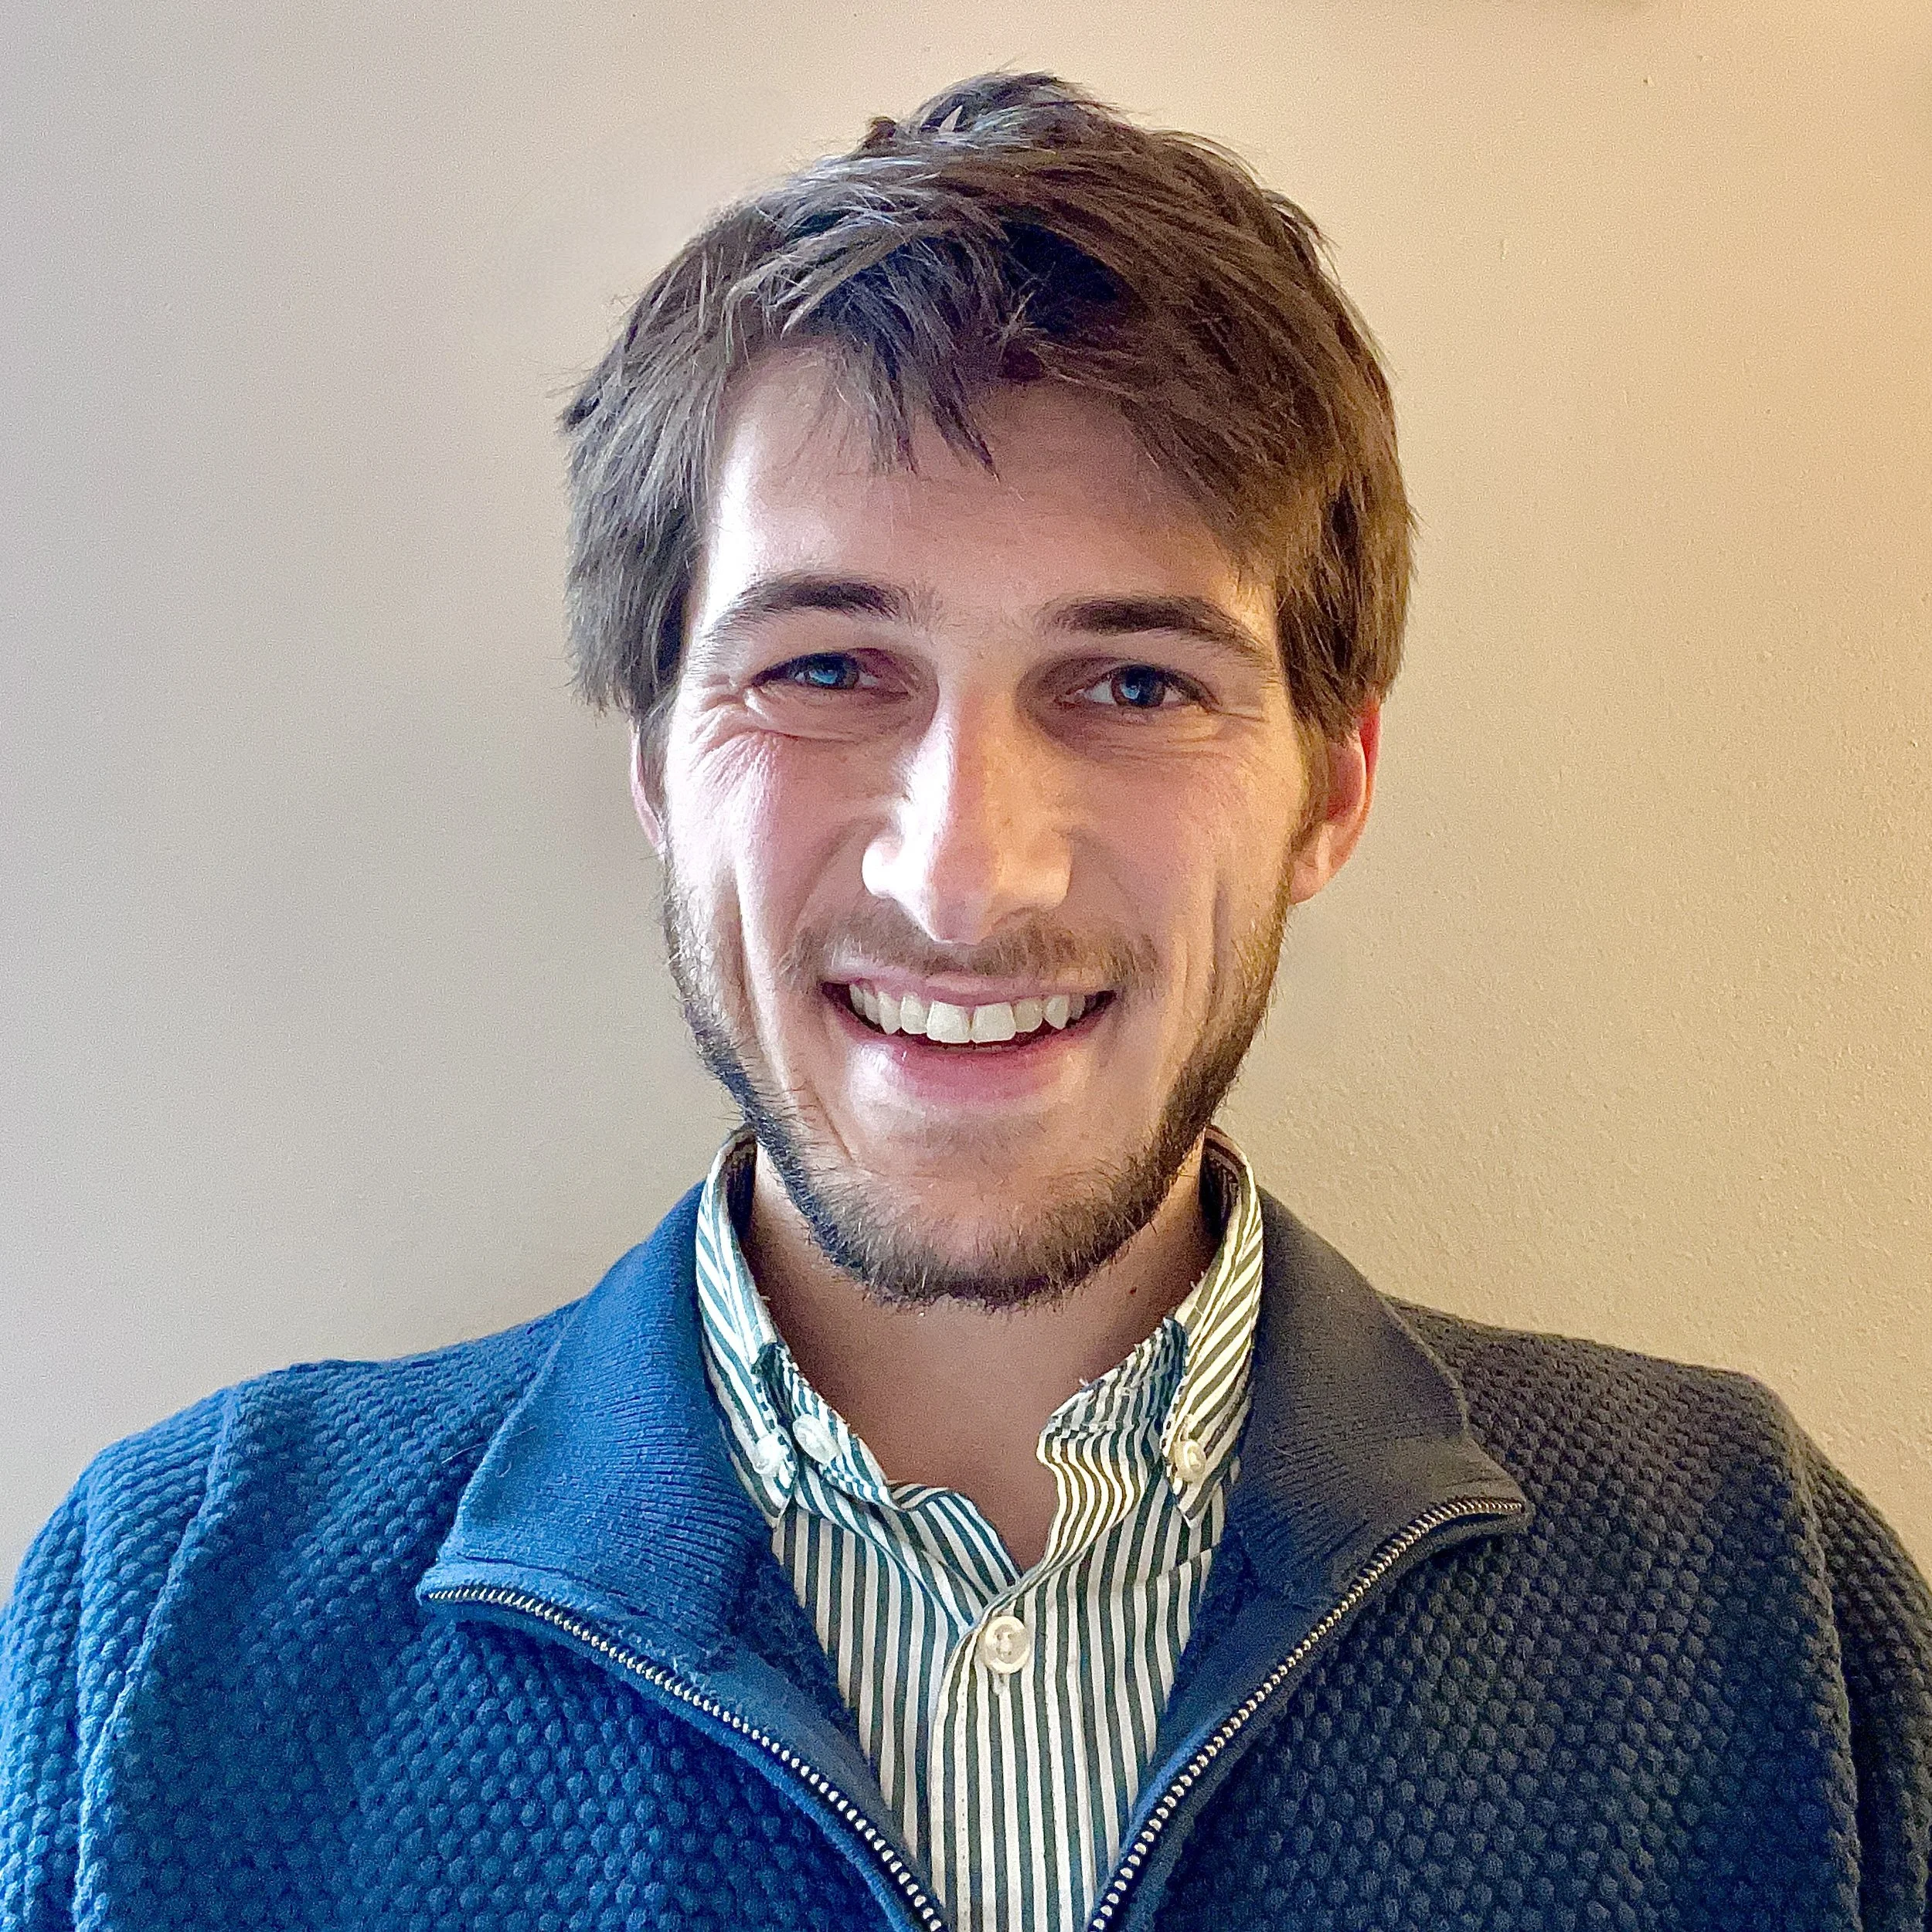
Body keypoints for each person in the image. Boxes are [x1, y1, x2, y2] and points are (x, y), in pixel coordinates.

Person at [3, 70, 1928, 1932]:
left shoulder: (1757, 1608)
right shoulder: (164, 1617)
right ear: (660, 767)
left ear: (1331, 787)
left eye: (1135, 683)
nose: (964, 873)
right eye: (829, 668)